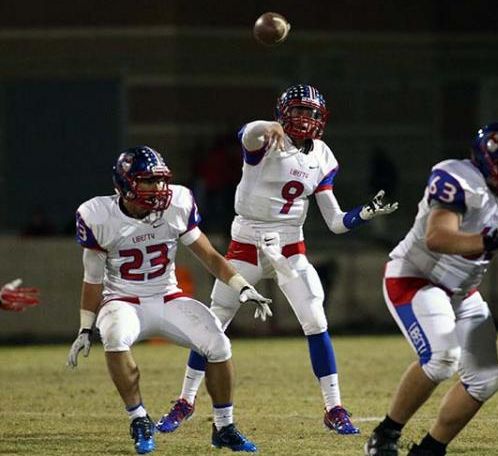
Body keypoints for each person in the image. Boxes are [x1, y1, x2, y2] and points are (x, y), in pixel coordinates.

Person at [156, 84, 398, 436]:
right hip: (246, 245)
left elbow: (335, 221)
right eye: (298, 111)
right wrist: (264, 126)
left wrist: (364, 213)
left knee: (316, 320)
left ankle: (334, 407)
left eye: (311, 113)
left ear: (322, 119)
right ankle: (186, 400)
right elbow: (248, 134)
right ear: (282, 114)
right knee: (211, 325)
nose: (305, 119)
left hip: (289, 249)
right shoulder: (267, 140)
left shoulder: (323, 156)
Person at [66, 146, 272, 455]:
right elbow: (93, 279)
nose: (158, 189)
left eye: (161, 181)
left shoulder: (177, 203)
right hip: (123, 300)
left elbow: (210, 256)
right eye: (147, 181)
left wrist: (241, 286)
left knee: (219, 345)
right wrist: (85, 328)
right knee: (113, 336)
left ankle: (224, 427)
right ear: (123, 185)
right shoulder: (97, 215)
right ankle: (139, 419)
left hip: (167, 296)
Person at [365, 121, 498, 456]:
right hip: (416, 278)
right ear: (486, 162)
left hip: (461, 291)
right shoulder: (457, 177)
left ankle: (428, 454)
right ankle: (385, 436)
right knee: (442, 358)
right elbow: (438, 237)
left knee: (485, 380)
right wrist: (488, 241)